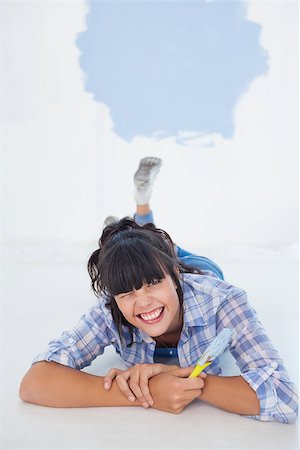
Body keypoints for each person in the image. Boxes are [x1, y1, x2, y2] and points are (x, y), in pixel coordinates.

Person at [19, 158, 298, 423]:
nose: (143, 302)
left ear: (174, 276)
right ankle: (126, 235)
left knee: (160, 249)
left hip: (199, 268)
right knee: (139, 253)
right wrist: (148, 392)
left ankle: (141, 213)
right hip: (160, 264)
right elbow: (35, 382)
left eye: (153, 283)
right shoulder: (109, 308)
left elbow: (285, 398)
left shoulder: (223, 300)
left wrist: (179, 378)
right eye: (126, 292)